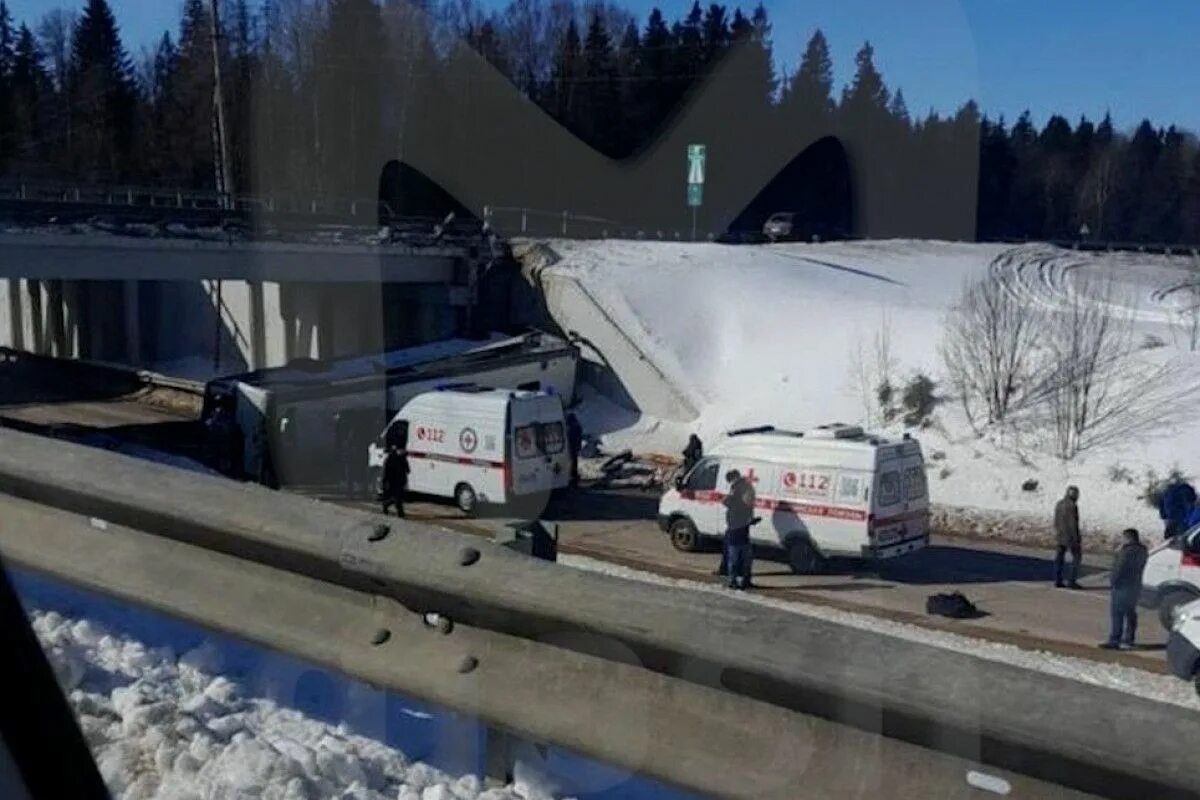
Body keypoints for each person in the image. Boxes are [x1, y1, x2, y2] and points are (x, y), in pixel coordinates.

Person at [1101, 529, 1149, 650]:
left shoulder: (1126, 551)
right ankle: (1129, 638)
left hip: (1122, 586)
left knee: (1117, 614)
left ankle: (1114, 640)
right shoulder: (1143, 550)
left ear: (1127, 538)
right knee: (1130, 612)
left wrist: (1113, 581)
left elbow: (1119, 568)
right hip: (1135, 586)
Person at [722, 469, 756, 590]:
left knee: (735, 556)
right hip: (740, 527)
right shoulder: (745, 487)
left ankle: (735, 580)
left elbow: (726, 501)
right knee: (742, 556)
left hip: (736, 527)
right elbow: (749, 504)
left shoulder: (737, 488)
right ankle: (742, 580)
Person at [1053, 485, 1083, 589]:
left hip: (1060, 535)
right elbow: (1073, 523)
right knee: (1076, 558)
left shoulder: (1059, 504)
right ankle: (1071, 581)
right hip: (1070, 536)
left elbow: (1056, 520)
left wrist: (1058, 531)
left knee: (1059, 559)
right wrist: (1076, 537)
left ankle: (1058, 580)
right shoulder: (1072, 506)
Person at [380, 444, 410, 518]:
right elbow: (408, 470)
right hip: (398, 481)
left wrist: (384, 481)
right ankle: (400, 512)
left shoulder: (390, 459)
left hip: (394, 481)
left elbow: (386, 472)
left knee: (396, 497)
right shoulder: (401, 459)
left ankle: (387, 505)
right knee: (398, 497)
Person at [566, 413, 583, 487]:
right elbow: (579, 438)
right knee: (574, 461)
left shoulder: (571, 428)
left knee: (572, 462)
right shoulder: (577, 427)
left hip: (571, 447)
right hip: (574, 447)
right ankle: (574, 476)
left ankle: (573, 476)